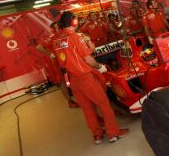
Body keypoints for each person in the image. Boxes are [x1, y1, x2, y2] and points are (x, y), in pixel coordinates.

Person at [53, 11, 129, 144]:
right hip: (85, 77)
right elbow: (88, 59)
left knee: (87, 109)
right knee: (104, 104)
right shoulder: (75, 37)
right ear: (73, 21)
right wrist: (99, 66)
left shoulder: (57, 40)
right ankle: (113, 133)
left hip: (73, 79)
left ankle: (97, 135)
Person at [36, 22, 79, 108]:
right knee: (63, 82)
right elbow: (39, 47)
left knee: (73, 79)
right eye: (56, 27)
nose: (58, 28)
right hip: (58, 64)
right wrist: (50, 54)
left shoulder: (66, 34)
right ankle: (70, 102)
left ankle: (79, 97)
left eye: (59, 26)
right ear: (53, 29)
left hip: (68, 61)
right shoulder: (52, 37)